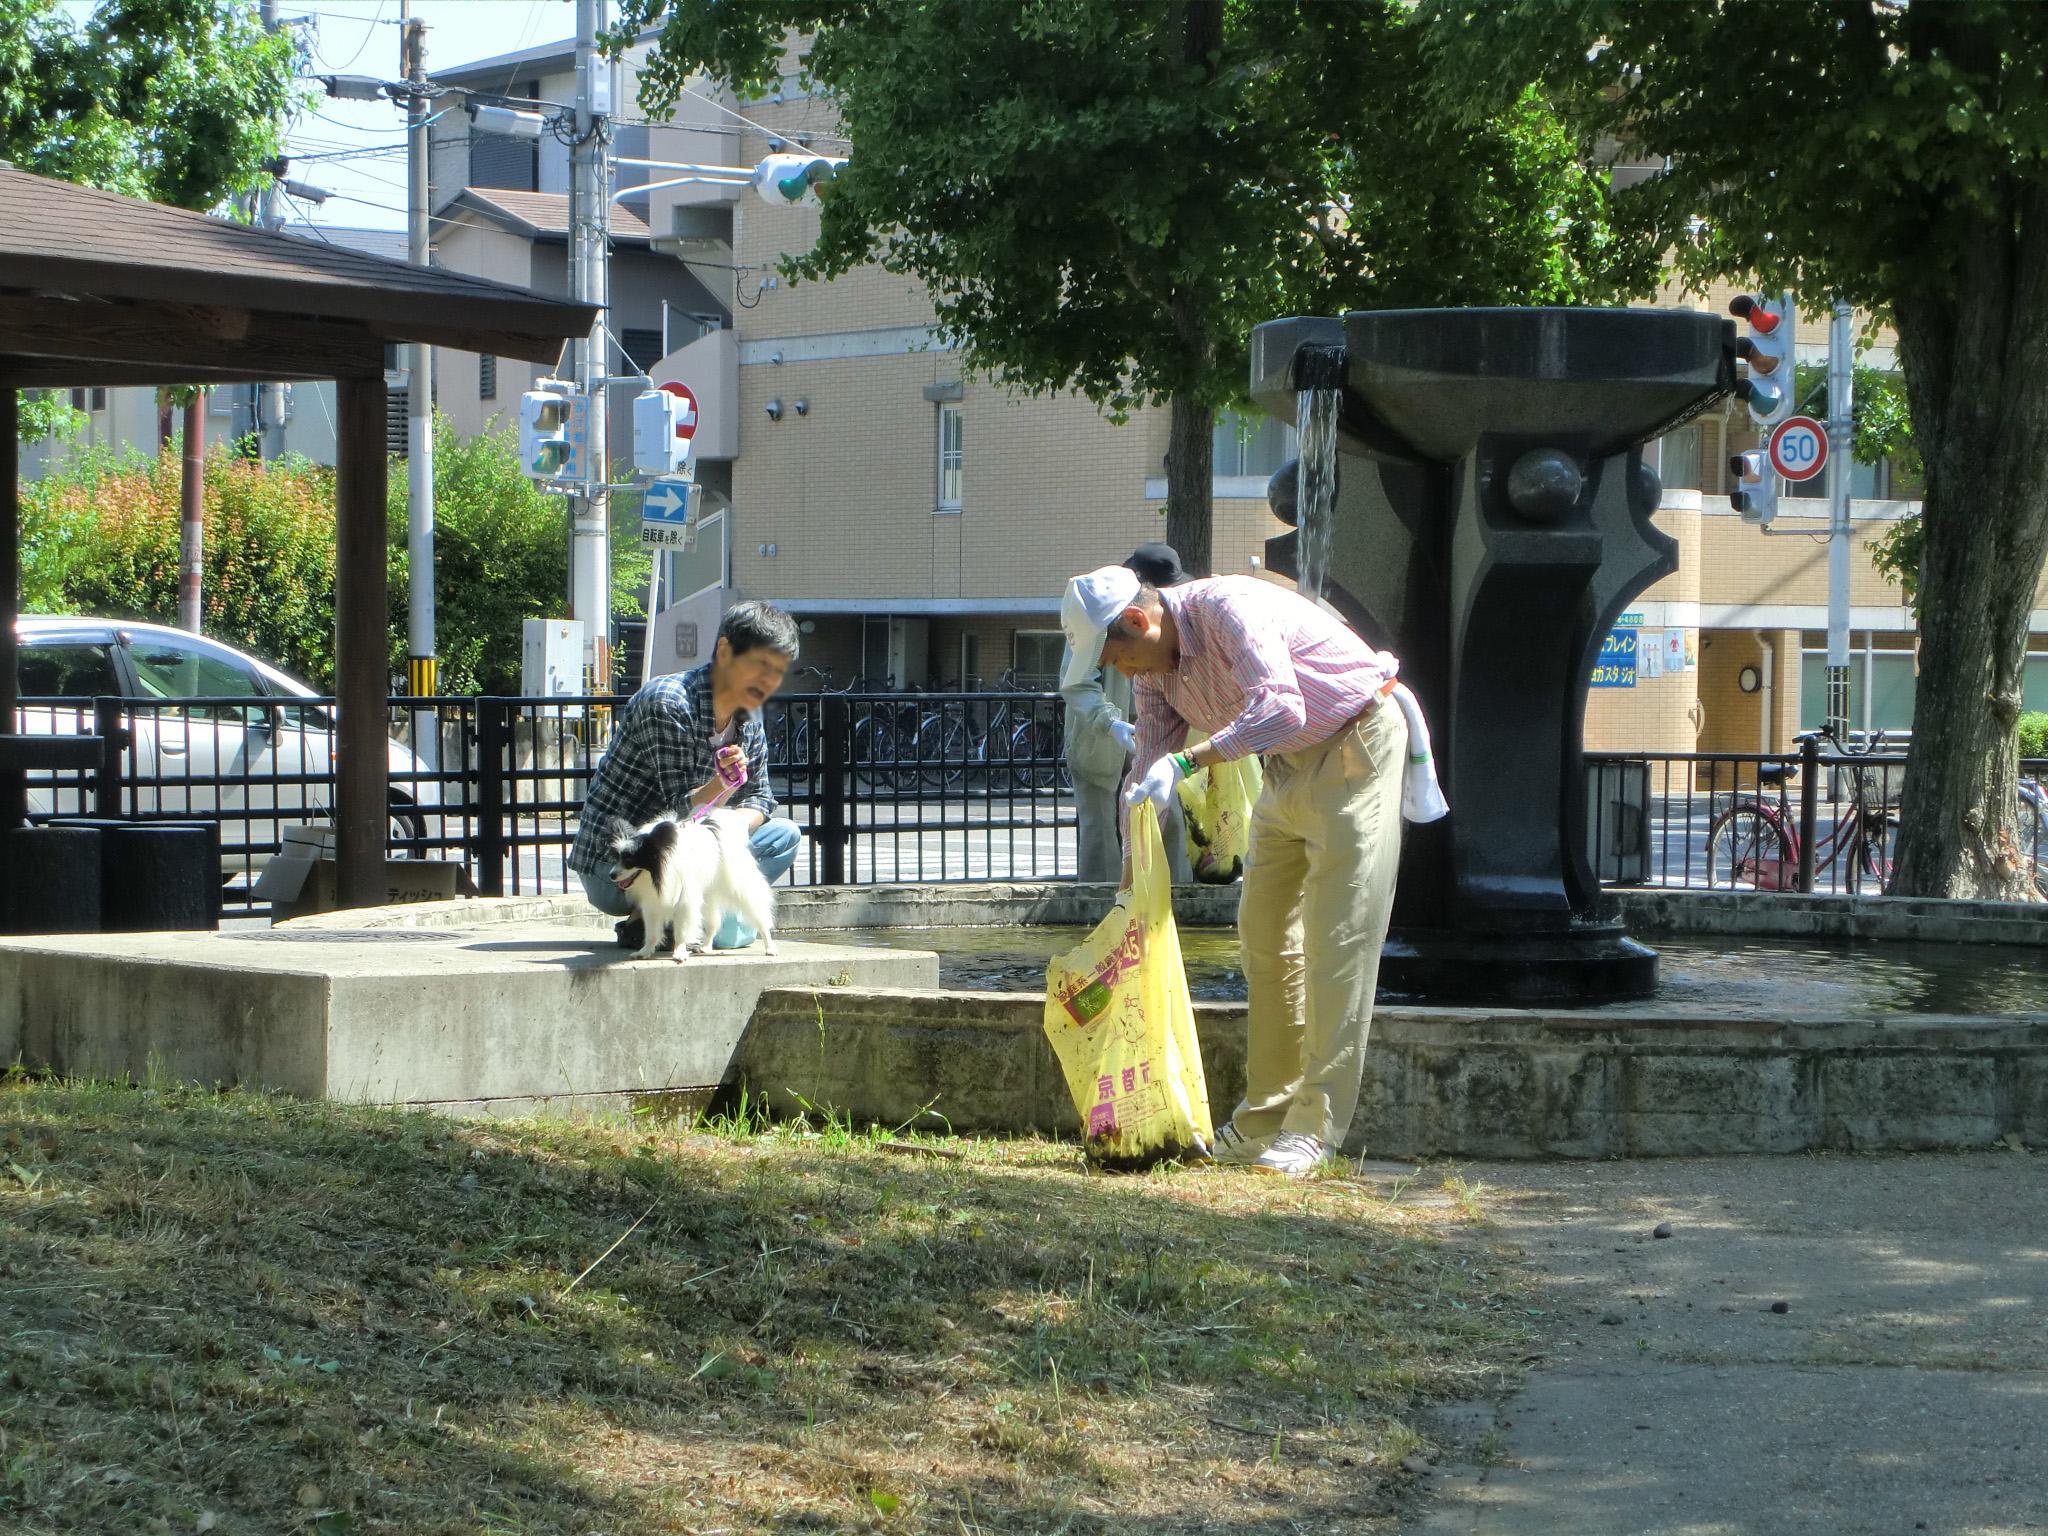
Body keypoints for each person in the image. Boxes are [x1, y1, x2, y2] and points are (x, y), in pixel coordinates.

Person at [1059, 564, 1445, 1177]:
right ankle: (1266, 1118)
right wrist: (1128, 886)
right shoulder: (1156, 670)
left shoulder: (1226, 609)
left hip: (1357, 746)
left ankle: (1315, 1130)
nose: (1121, 675)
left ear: (1137, 621)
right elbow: (1149, 768)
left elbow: (1282, 707)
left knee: (1337, 941)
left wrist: (1187, 763)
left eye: (1116, 660)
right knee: (1263, 935)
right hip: (1286, 767)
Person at [570, 601, 804, 950]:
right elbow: (675, 814)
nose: (767, 682)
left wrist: (729, 827)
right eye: (759, 667)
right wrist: (720, 786)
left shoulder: (749, 721)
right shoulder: (666, 703)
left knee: (785, 834)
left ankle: (666, 920)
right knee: (728, 934)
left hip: (696, 852)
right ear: (725, 651)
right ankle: (659, 917)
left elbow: (761, 799)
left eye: (776, 672)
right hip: (623, 865)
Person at [1061, 544, 1192, 884]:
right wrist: (1109, 722)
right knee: (1100, 831)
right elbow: (1076, 683)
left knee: (1168, 815)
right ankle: (1103, 912)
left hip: (1152, 735)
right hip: (1096, 740)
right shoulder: (1095, 620)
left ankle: (1177, 903)